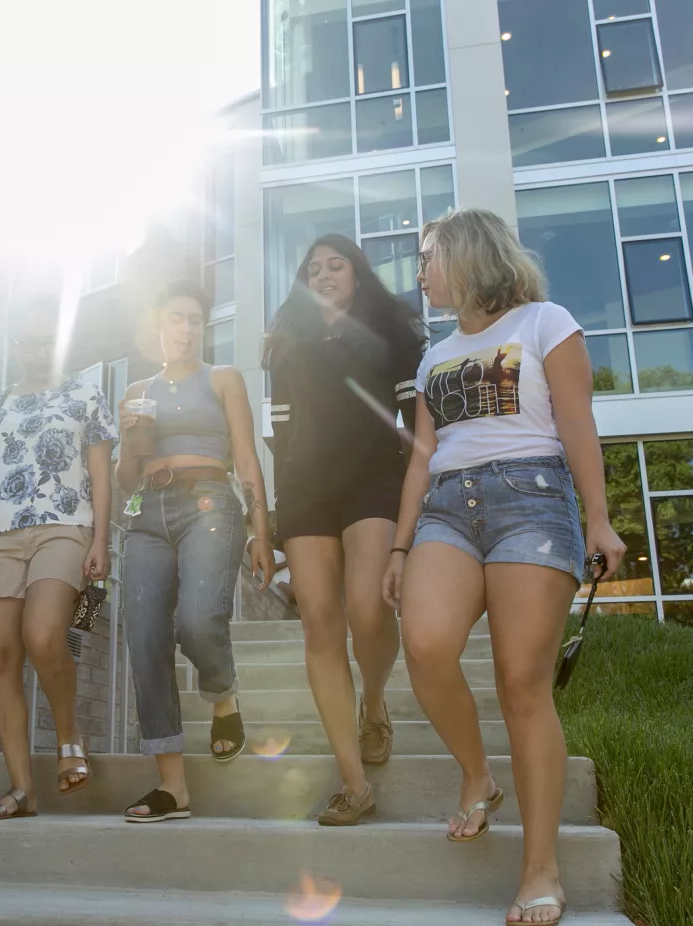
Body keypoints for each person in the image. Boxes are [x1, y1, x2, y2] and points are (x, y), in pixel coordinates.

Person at [382, 208, 625, 926]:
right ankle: (477, 775)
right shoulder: (434, 354)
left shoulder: (548, 322)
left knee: (522, 684)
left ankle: (540, 869)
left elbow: (577, 422)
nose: (419, 274)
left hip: (533, 496)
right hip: (449, 508)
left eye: (428, 259)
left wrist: (599, 517)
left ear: (465, 255)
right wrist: (399, 546)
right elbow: (423, 456)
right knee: (425, 645)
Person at [263, 234, 424, 826]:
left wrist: (416, 504)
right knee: (320, 625)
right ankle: (354, 783)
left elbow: (416, 427)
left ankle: (374, 702)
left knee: (367, 607)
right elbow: (279, 430)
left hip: (374, 481)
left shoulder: (394, 330)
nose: (325, 274)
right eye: (314, 267)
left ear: (358, 274)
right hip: (306, 492)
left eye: (337, 265)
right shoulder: (285, 341)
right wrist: (276, 514)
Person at [0, 297, 118, 822]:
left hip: (66, 526)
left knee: (44, 635)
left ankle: (69, 735)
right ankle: (22, 789)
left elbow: (101, 474)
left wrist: (101, 539)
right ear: (15, 344)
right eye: (30, 341)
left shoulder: (84, 394)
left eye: (49, 341)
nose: (39, 350)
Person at [116, 279, 274, 823]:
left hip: (209, 501)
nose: (185, 328)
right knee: (144, 637)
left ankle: (222, 694)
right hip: (146, 514)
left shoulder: (223, 379)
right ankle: (172, 786)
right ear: (156, 325)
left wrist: (262, 530)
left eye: (194, 320)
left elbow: (247, 460)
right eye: (175, 318)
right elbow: (124, 479)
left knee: (200, 619)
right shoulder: (137, 391)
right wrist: (130, 438)